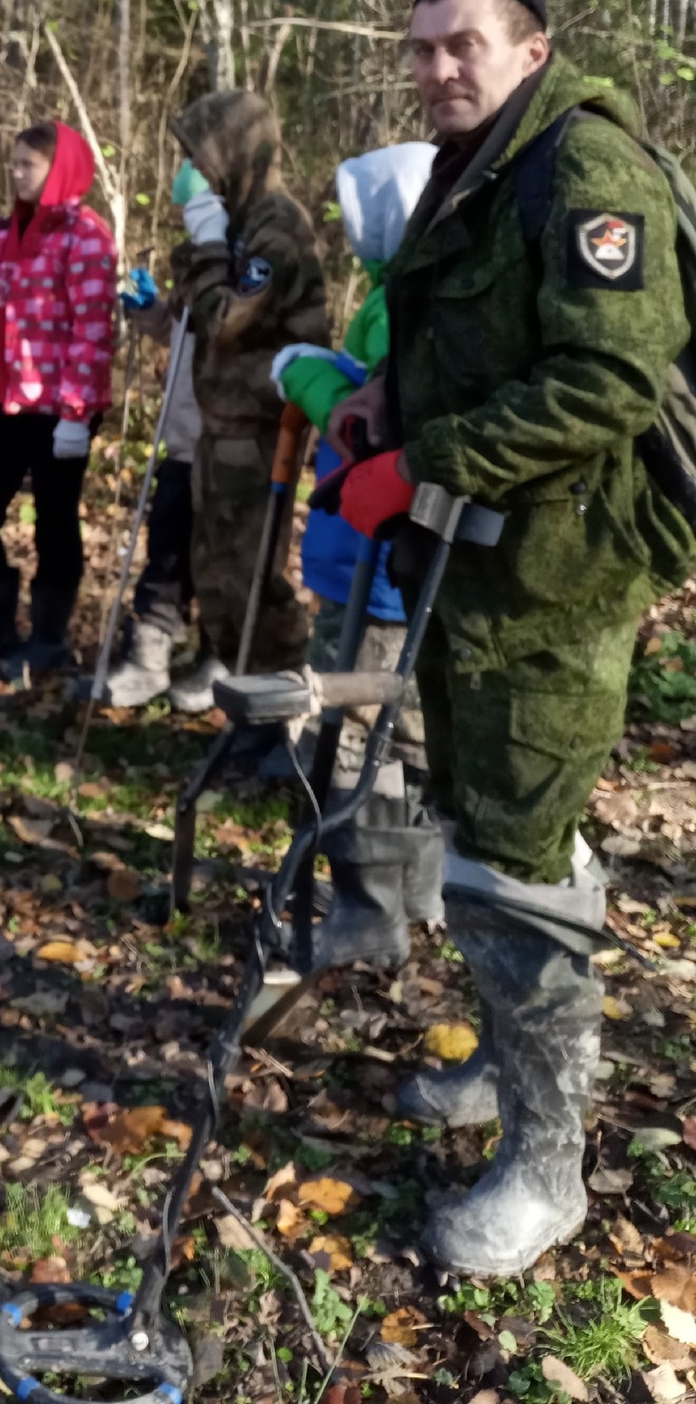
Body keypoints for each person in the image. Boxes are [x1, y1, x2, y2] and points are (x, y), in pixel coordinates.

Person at [331, 0, 691, 1275]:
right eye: (420, 49)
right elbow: (461, 344)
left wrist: (427, 460)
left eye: (461, 43)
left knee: (519, 868)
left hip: (554, 585)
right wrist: (381, 409)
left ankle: (550, 1168)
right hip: (476, 570)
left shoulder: (585, 167)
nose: (435, 69)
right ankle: (509, 1060)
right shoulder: (473, 170)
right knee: (491, 838)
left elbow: (607, 380)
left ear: (532, 49)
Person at [272, 141, 439, 968]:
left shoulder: (416, 297)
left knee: (356, 736)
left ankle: (373, 910)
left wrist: (308, 378)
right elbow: (376, 382)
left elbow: (376, 415)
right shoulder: (398, 292)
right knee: (404, 735)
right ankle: (416, 895)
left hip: (378, 560)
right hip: (373, 554)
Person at [166, 89, 328, 713]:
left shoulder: (276, 226)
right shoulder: (236, 220)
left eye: (201, 156)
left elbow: (230, 318)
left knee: (251, 569)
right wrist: (196, 249)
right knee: (212, 559)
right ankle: (232, 670)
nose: (194, 171)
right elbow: (197, 315)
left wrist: (208, 244)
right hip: (221, 416)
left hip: (263, 422)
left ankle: (280, 692)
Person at [0, 120, 117, 678]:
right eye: (13, 163)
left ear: (58, 169)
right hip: (0, 402)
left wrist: (76, 415)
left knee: (55, 523)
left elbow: (92, 333)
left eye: (28, 165)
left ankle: (48, 637)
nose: (16, 174)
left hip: (58, 410)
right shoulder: (3, 233)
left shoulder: (85, 237)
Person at [85, 294, 200, 706]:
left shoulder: (264, 248)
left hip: (236, 446)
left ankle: (224, 657)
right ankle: (148, 660)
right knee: (166, 547)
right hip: (183, 436)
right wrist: (153, 311)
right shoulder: (204, 251)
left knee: (221, 561)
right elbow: (182, 329)